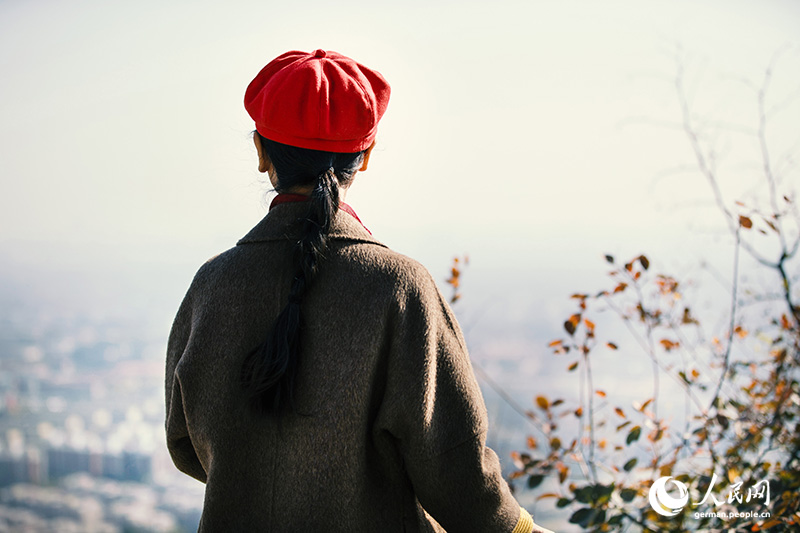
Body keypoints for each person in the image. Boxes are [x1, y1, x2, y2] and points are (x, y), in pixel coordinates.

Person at [165, 49, 554, 533]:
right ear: (365, 157)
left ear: (261, 153)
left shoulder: (212, 285)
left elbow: (184, 443)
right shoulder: (398, 288)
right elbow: (455, 473)